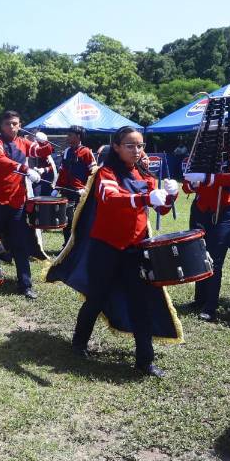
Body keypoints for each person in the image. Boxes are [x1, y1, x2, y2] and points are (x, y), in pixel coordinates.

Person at [52, 127, 180, 376]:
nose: (136, 150)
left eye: (140, 146)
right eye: (130, 145)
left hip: (135, 249)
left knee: (141, 303)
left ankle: (145, 361)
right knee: (96, 298)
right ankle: (79, 342)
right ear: (117, 147)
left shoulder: (145, 174)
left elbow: (161, 209)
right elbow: (110, 198)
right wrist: (144, 198)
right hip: (106, 248)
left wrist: (170, 196)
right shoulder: (105, 172)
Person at [0, 111, 53, 299]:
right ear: (1, 125)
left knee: (20, 243)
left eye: (15, 123)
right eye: (7, 123)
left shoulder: (23, 142)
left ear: (20, 125)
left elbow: (42, 152)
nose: (11, 127)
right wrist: (24, 168)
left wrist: (44, 142)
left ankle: (25, 285)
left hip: (17, 202)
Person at [180, 169, 230, 322]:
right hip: (200, 210)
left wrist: (206, 177)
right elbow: (186, 187)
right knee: (199, 254)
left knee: (214, 260)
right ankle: (199, 300)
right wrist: (193, 183)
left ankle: (210, 306)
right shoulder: (201, 157)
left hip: (225, 211)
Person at [55, 125, 94, 245]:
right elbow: (62, 171)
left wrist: (86, 189)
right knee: (66, 219)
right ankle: (67, 244)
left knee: (79, 220)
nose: (67, 137)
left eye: (70, 135)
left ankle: (79, 245)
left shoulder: (86, 152)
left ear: (78, 136)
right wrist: (57, 187)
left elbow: (94, 173)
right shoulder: (67, 151)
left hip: (80, 193)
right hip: (66, 191)